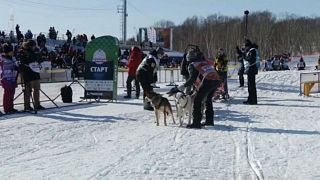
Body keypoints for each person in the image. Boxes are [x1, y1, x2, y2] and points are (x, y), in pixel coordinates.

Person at [175, 47, 221, 128]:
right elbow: (201, 77)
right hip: (216, 80)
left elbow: (192, 78)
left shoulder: (192, 65)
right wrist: (197, 89)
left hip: (208, 82)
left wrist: (184, 86)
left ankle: (196, 123)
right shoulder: (203, 62)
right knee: (208, 100)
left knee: (197, 101)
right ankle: (209, 121)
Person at [18, 40, 45, 111]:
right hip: (28, 75)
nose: (34, 47)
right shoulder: (23, 52)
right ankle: (27, 106)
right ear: (29, 46)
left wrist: (39, 56)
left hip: (35, 74)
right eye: (33, 46)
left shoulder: (35, 52)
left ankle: (37, 104)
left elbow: (40, 60)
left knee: (37, 90)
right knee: (27, 91)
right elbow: (23, 63)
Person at [0, 43, 19, 114]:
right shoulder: (2, 58)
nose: (13, 52)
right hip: (5, 79)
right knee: (7, 94)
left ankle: (11, 107)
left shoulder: (13, 58)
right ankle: (7, 109)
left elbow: (16, 66)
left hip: (13, 78)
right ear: (7, 51)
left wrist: (17, 68)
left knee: (12, 93)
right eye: (11, 51)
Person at [242, 39, 258, 105]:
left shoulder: (253, 50)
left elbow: (250, 59)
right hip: (250, 69)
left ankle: (253, 100)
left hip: (252, 69)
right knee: (249, 85)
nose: (245, 48)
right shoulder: (251, 50)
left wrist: (244, 56)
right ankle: (250, 98)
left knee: (251, 86)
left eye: (246, 46)